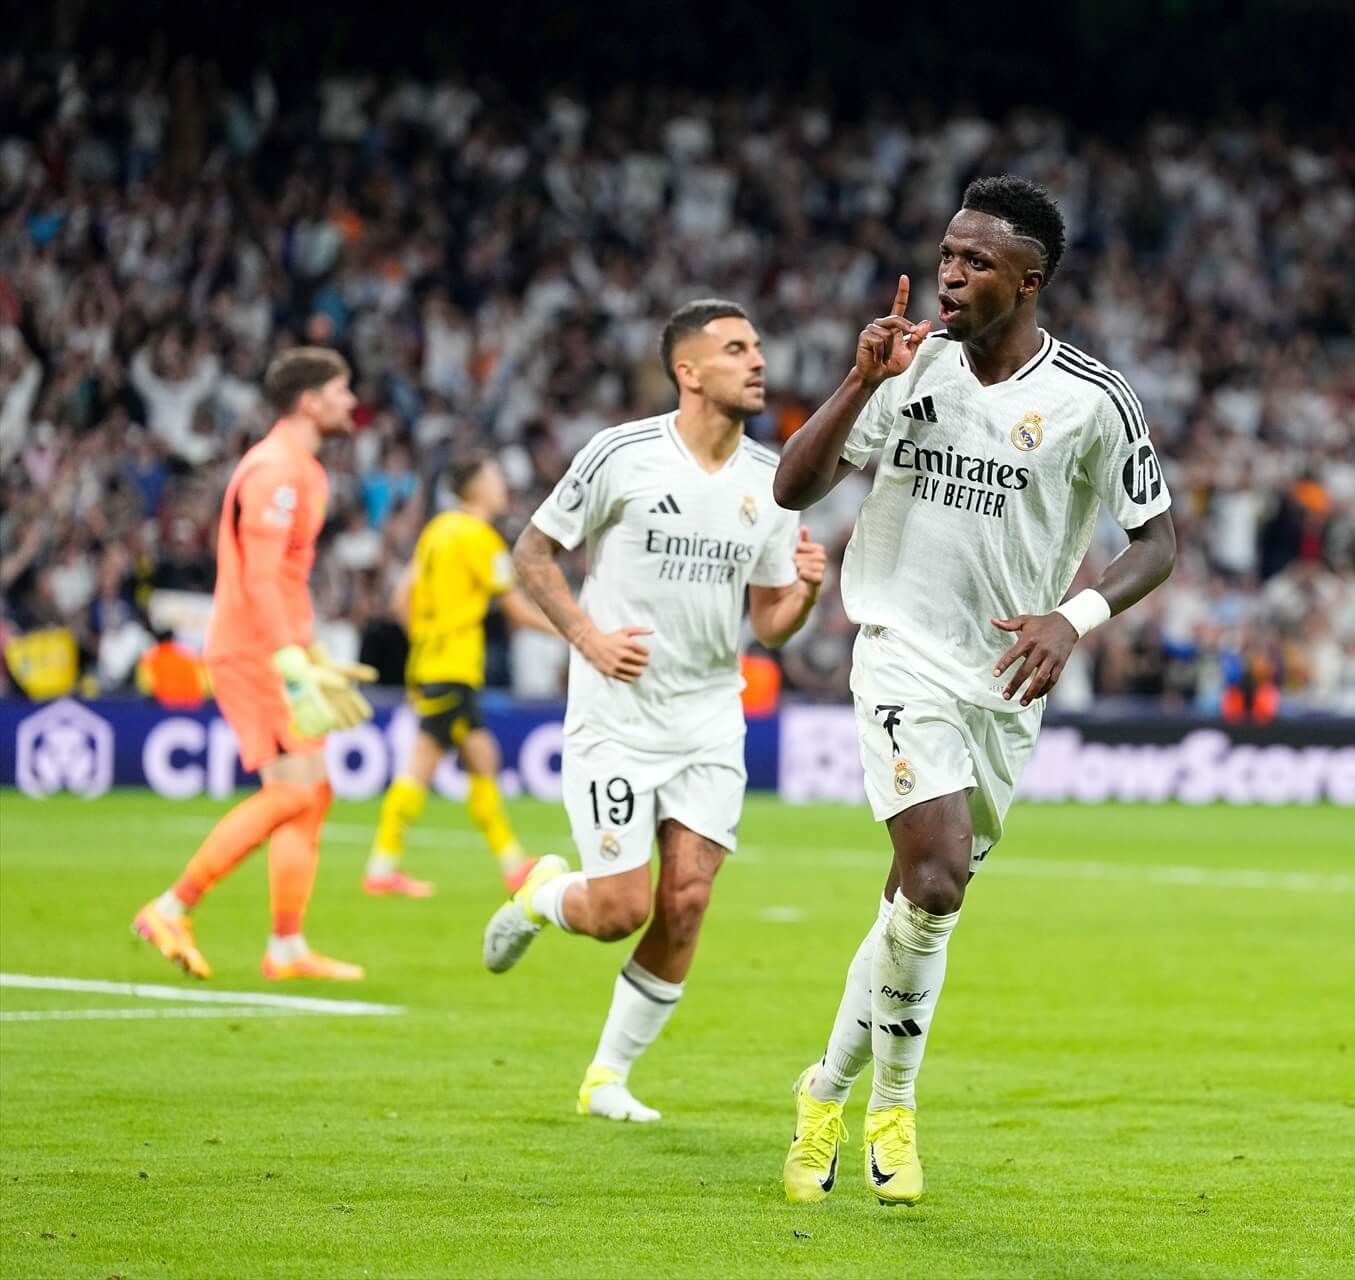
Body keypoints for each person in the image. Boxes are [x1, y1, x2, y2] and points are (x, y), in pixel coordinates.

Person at [769, 176, 1177, 1205]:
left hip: (1005, 680)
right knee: (940, 877)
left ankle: (823, 1088)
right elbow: (791, 485)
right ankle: (895, 1108)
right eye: (947, 254)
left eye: (975, 261)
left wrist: (1073, 618)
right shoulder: (908, 366)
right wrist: (859, 381)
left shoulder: (1092, 398)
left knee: (912, 906)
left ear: (1028, 281)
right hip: (901, 652)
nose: (949, 274)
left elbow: (1157, 541)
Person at [480, 300, 825, 1123]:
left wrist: (808, 592)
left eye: (758, 347)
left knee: (689, 900)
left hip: (709, 717)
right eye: (735, 348)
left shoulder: (772, 481)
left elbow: (770, 624)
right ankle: (541, 898)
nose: (757, 361)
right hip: (618, 717)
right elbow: (533, 552)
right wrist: (588, 638)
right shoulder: (622, 454)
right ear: (688, 370)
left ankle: (607, 1077)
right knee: (618, 912)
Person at [132, 347, 376, 981]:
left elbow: (286, 581)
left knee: (312, 793)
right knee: (292, 790)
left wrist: (308, 649)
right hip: (254, 651)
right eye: (342, 390)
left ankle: (287, 946)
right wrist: (290, 658)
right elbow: (261, 577)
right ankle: (171, 907)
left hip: (281, 647)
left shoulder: (304, 470)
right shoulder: (275, 471)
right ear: (310, 401)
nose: (352, 402)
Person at [365, 455, 560, 897]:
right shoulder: (480, 538)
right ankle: (382, 867)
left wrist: (427, 639)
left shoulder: (436, 530)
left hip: (432, 665)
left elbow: (400, 600)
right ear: (476, 487)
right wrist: (571, 630)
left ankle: (512, 862)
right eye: (494, 477)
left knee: (481, 756)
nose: (502, 484)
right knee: (422, 765)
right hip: (453, 669)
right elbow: (514, 610)